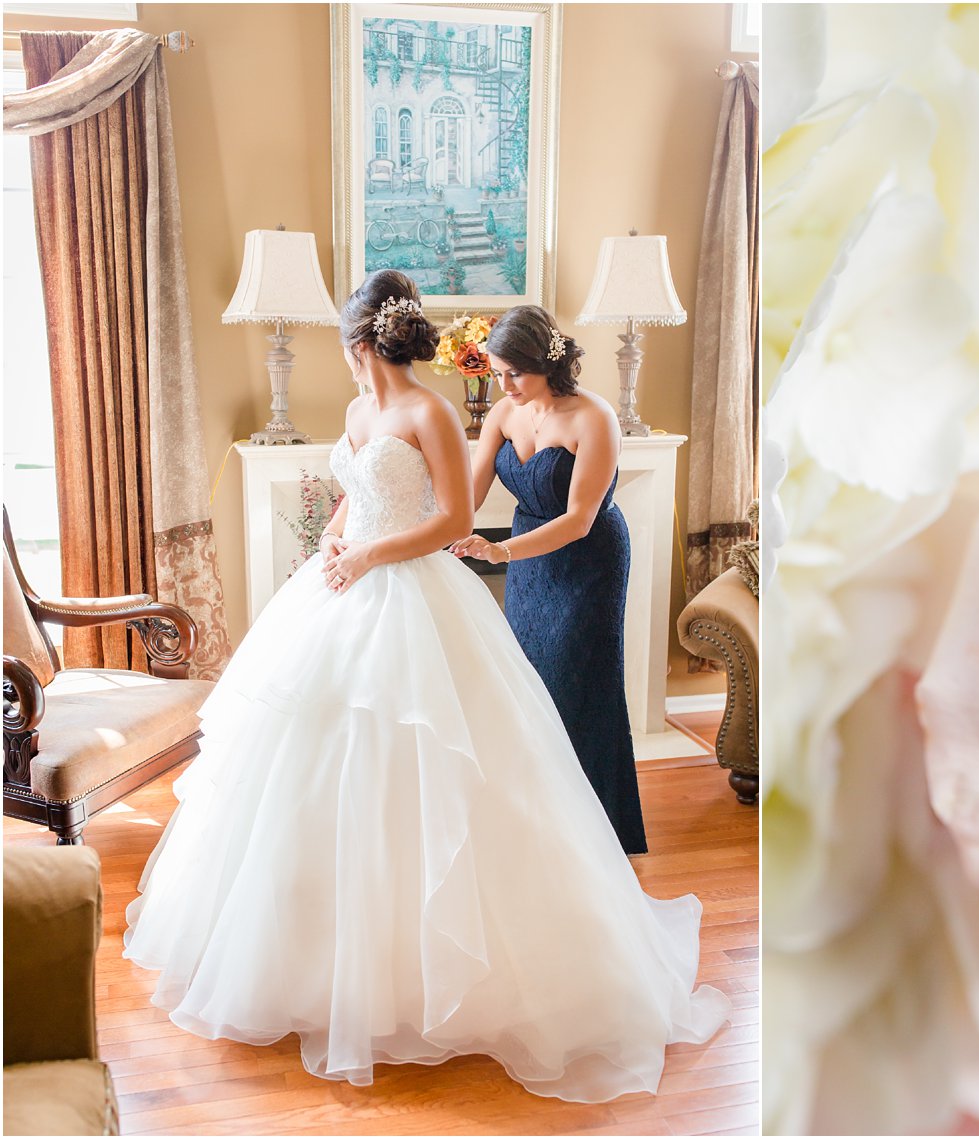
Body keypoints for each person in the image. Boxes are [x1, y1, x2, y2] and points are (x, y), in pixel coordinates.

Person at [122, 270, 728, 1098]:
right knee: (309, 762)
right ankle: (309, 954)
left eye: (348, 342)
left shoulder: (432, 411)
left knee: (439, 754)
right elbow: (352, 497)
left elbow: (449, 516)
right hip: (345, 587)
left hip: (411, 589)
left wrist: (372, 552)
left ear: (361, 341)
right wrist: (328, 549)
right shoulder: (357, 412)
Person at [451, 306, 647, 854]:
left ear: (547, 363)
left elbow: (581, 519)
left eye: (516, 373)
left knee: (577, 683)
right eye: (496, 372)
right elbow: (466, 499)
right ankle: (537, 823)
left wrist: (500, 550)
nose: (504, 385)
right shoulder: (503, 415)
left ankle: (597, 831)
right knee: (529, 682)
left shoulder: (593, 417)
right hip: (528, 563)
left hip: (588, 562)